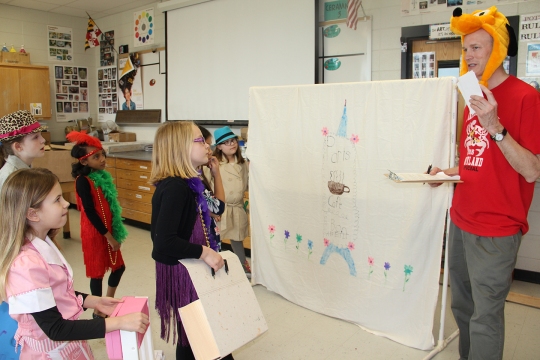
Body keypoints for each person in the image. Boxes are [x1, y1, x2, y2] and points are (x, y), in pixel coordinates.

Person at [430, 7, 540, 359]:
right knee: (462, 309)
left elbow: (532, 169)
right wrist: (448, 171)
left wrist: (495, 125)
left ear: (498, 51)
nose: (468, 56)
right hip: (461, 220)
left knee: (485, 317)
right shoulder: (471, 97)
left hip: (497, 229)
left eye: (476, 47)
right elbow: (475, 160)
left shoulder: (526, 97)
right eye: (465, 48)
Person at [0, 168, 148, 359]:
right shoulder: (26, 265)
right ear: (33, 214)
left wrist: (93, 300)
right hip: (52, 351)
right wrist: (119, 323)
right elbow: (56, 329)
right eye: (57, 200)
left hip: (67, 347)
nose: (66, 204)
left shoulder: (43, 243)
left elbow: (54, 292)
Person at [150, 121, 226, 360]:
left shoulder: (189, 183)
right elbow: (163, 242)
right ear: (180, 148)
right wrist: (204, 252)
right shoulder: (175, 188)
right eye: (200, 141)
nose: (207, 146)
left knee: (196, 337)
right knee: (197, 336)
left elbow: (215, 209)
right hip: (184, 273)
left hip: (190, 269)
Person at [0, 110, 47, 359]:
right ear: (17, 146)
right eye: (36, 137)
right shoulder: (11, 180)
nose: (43, 141)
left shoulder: (21, 173)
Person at [67, 131, 128, 319]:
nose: (102, 159)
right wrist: (108, 237)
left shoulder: (101, 177)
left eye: (102, 154)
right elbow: (90, 213)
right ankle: (99, 310)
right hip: (95, 233)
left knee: (119, 267)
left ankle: (107, 303)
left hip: (108, 230)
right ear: (84, 162)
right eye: (96, 157)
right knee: (97, 273)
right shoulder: (83, 181)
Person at [213, 126, 250, 276]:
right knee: (216, 238)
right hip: (221, 208)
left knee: (237, 237)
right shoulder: (215, 164)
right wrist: (213, 210)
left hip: (237, 207)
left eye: (233, 140)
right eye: (227, 142)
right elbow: (209, 187)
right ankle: (215, 266)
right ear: (219, 147)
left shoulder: (242, 163)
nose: (232, 144)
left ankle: (242, 266)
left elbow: (246, 184)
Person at [198, 125, 226, 251]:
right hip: (203, 244)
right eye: (205, 145)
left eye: (209, 145)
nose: (209, 150)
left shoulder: (199, 176)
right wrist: (217, 174)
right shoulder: (192, 180)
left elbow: (215, 207)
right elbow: (218, 207)